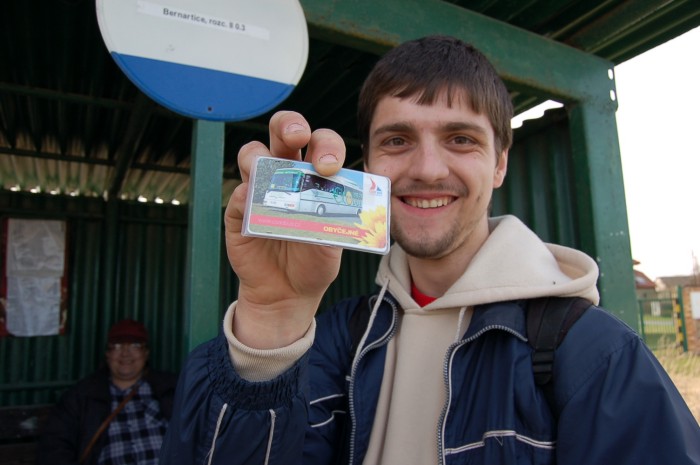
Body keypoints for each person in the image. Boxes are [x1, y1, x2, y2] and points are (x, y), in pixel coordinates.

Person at [160, 35, 700, 464]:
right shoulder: (339, 339)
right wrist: (271, 317)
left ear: (500, 163)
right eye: (397, 140)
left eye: (461, 139)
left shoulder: (595, 355)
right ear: (369, 164)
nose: (426, 169)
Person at [37, 319, 178, 465]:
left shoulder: (171, 389)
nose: (125, 353)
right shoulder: (81, 397)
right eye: (117, 346)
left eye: (135, 345)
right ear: (107, 354)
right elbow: (54, 448)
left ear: (146, 353)